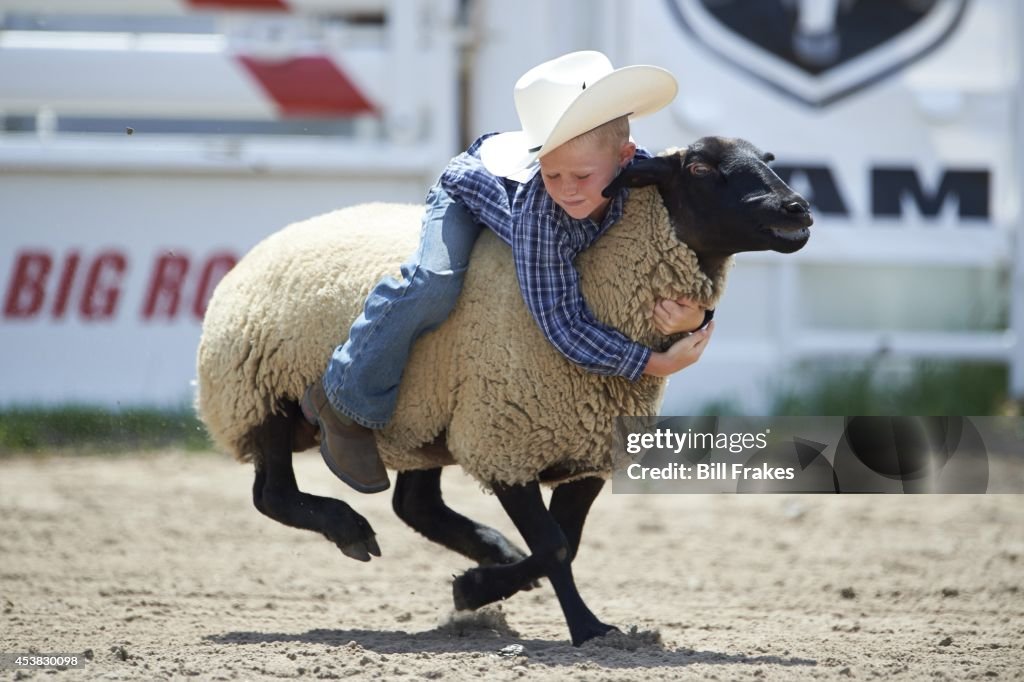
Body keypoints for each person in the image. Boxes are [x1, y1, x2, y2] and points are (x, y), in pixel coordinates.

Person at [301, 50, 715, 493]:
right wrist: (654, 363)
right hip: (469, 188)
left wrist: (698, 318)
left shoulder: (646, 187)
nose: (567, 190)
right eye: (552, 174)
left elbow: (676, 259)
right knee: (433, 282)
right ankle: (342, 398)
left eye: (580, 175)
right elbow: (561, 321)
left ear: (626, 156)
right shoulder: (543, 210)